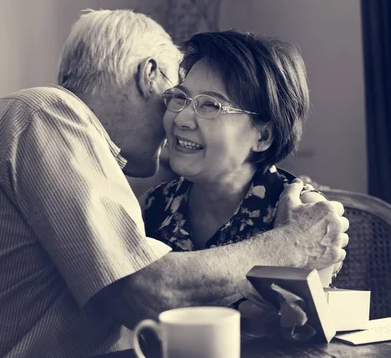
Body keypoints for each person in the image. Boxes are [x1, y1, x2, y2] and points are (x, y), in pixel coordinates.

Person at [0, 9, 349, 358]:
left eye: (209, 105)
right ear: (149, 76)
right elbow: (149, 292)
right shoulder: (45, 114)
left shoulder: (291, 203)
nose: (176, 118)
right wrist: (291, 245)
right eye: (175, 97)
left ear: (262, 136)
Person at [142, 30, 340, 283]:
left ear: (263, 137)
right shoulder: (153, 206)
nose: (181, 119)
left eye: (210, 105)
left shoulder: (303, 218)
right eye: (181, 98)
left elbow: (307, 320)